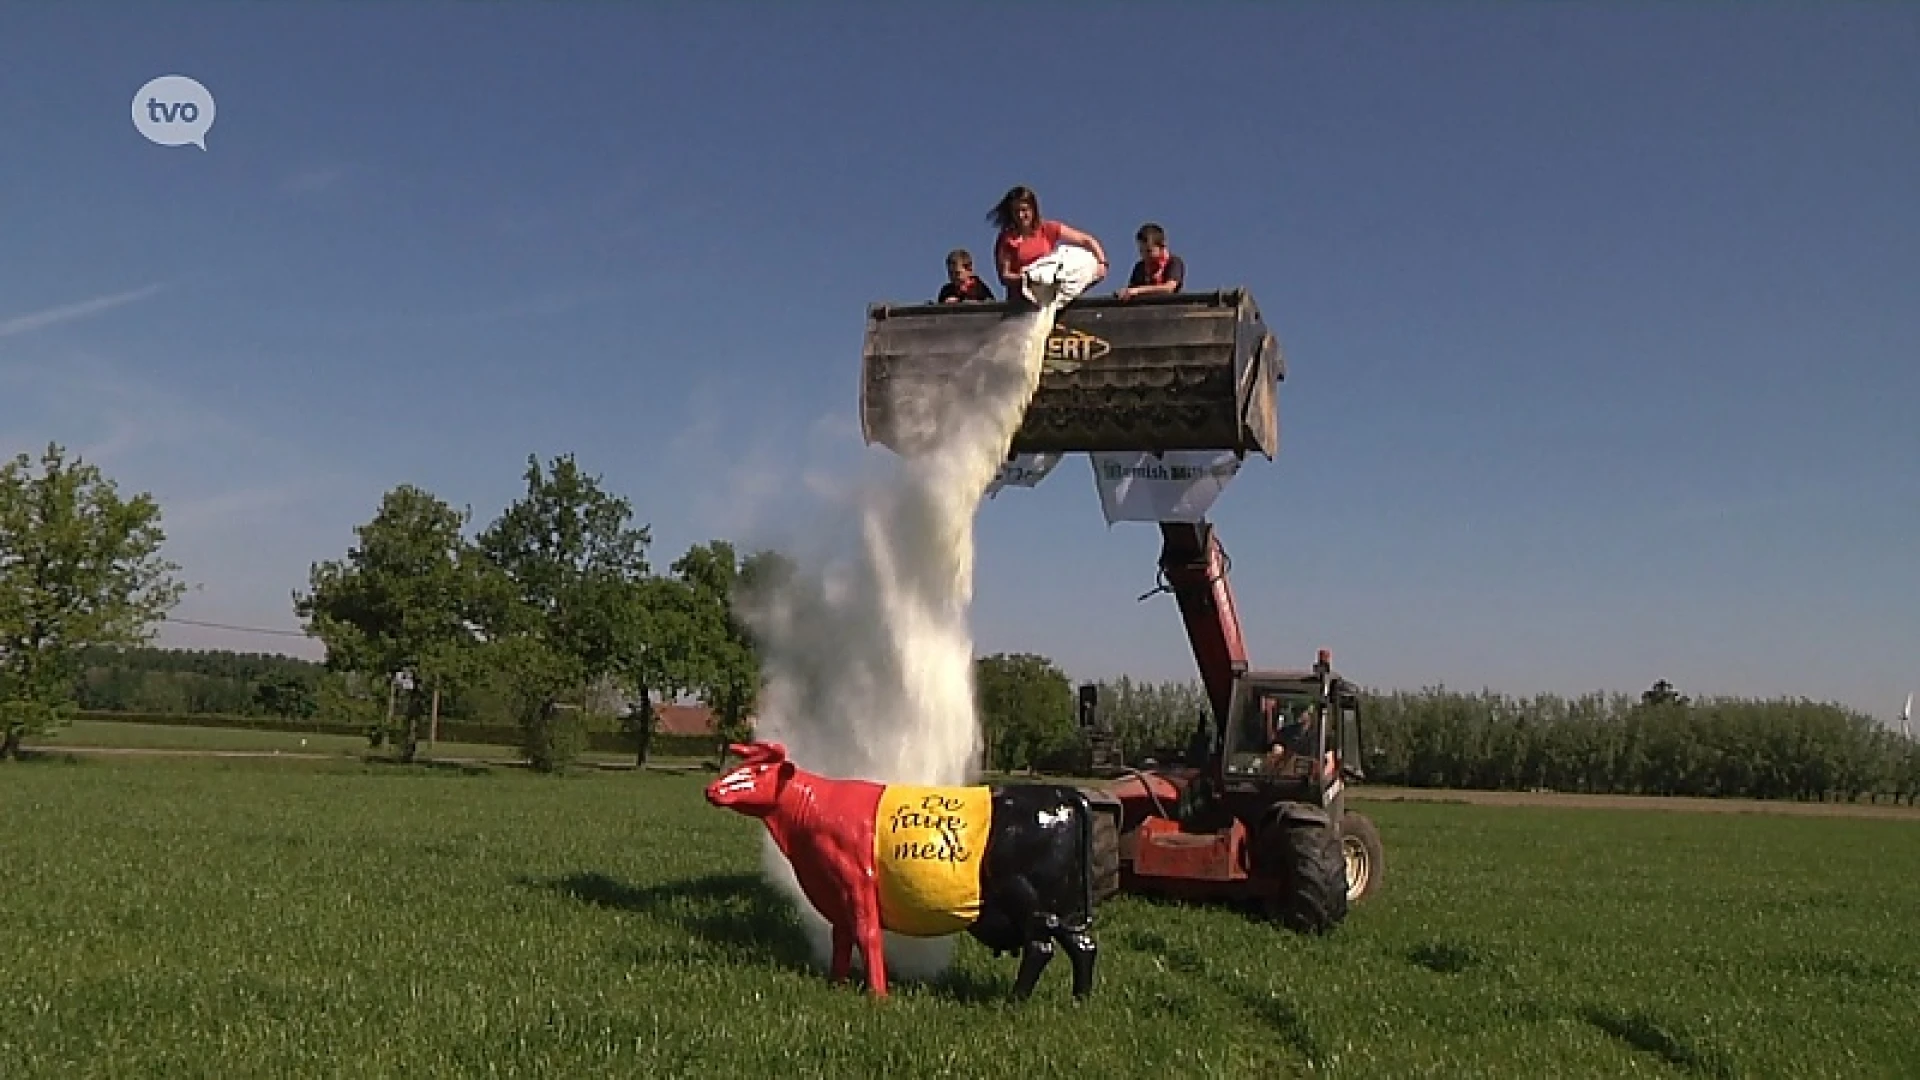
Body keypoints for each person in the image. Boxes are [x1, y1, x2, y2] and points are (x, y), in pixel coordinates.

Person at [987, 185, 1107, 300]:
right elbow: (1004, 276)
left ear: (1033, 209)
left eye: (1024, 210)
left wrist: (1102, 263)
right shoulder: (1007, 239)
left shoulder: (1048, 229)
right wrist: (1028, 279)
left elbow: (1086, 240)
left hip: (1050, 297)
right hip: (1021, 302)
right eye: (1016, 211)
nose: (1020, 215)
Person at [1118, 222, 1185, 301]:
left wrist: (1138, 290)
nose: (1144, 255)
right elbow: (1131, 289)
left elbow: (1168, 288)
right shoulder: (1140, 267)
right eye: (1141, 251)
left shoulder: (1173, 262)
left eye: (1149, 251)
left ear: (1162, 247)